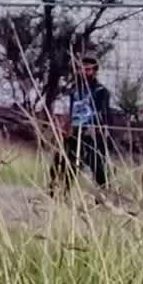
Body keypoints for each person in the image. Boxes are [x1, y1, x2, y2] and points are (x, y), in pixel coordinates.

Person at [49, 55, 112, 196]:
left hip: (92, 134)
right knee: (60, 161)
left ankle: (103, 196)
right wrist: (65, 126)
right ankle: (58, 192)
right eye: (81, 69)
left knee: (97, 166)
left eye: (87, 69)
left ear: (94, 71)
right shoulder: (74, 90)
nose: (83, 72)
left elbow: (104, 114)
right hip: (74, 131)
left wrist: (98, 128)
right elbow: (70, 111)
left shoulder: (101, 91)